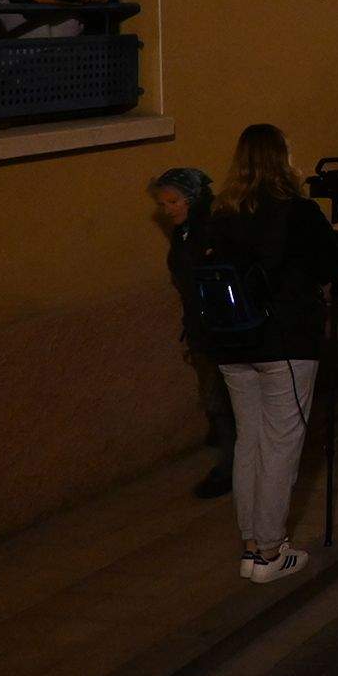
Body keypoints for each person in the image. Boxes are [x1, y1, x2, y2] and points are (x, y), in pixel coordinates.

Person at [206, 124, 338, 583]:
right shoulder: (297, 212)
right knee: (282, 445)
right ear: (282, 159)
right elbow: (332, 266)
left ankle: (250, 546)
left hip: (232, 344)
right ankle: (270, 551)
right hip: (286, 343)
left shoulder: (221, 213)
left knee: (250, 440)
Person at [151, 166, 234, 500]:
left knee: (224, 401)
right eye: (163, 203)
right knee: (216, 400)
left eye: (173, 201)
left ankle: (231, 466)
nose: (167, 209)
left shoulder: (207, 230)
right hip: (202, 328)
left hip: (218, 328)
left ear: (191, 199)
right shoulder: (184, 233)